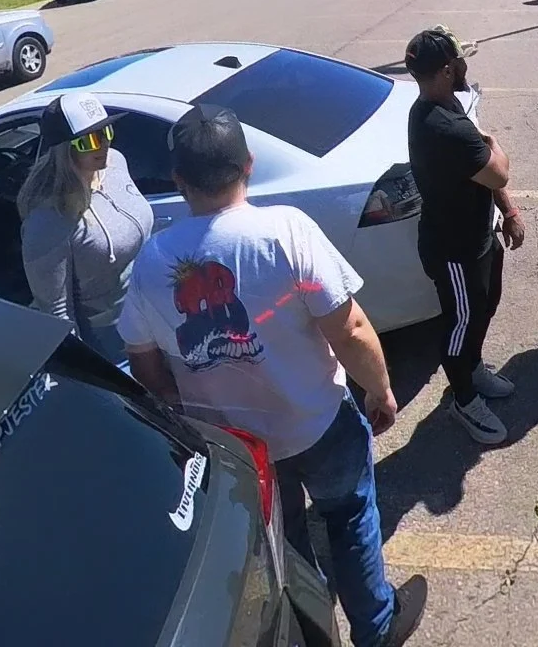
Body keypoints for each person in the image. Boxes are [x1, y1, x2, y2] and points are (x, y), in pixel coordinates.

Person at [119, 105, 427, 647]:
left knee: (283, 543)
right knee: (350, 515)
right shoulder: (285, 232)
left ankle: (313, 630)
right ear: (249, 165)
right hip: (318, 422)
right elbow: (350, 329)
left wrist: (189, 406)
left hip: (238, 447)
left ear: (179, 180)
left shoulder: (151, 264)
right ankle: (375, 627)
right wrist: (380, 390)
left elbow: (145, 366)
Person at [404, 27, 526, 446]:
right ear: (445, 69)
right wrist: (495, 144)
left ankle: (472, 368)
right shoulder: (441, 125)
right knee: (460, 325)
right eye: (460, 61)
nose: (466, 65)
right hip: (454, 250)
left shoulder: (448, 103)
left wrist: (508, 210)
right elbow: (498, 169)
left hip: (479, 236)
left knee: (486, 305)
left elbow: (484, 169)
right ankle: (463, 398)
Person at [17, 91, 153, 366]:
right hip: (117, 348)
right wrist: (91, 370)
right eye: (90, 139)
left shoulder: (116, 163)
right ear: (63, 150)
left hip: (158, 316)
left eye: (106, 132)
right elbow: (57, 312)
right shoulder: (48, 220)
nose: (103, 145)